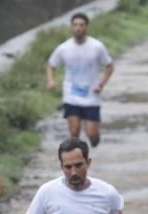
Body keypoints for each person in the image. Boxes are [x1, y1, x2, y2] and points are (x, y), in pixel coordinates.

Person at [46, 12, 114, 147]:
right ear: (71, 27)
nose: (78, 28)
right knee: (74, 131)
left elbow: (109, 66)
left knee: (92, 135)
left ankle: (95, 139)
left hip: (92, 95)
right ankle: (79, 159)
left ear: (87, 27)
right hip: (71, 95)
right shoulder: (64, 48)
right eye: (75, 25)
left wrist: (101, 84)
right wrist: (51, 80)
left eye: (81, 25)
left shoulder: (97, 46)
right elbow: (51, 65)